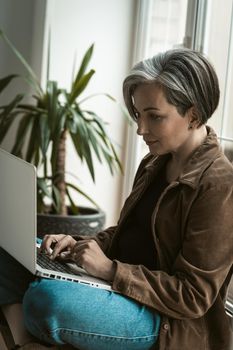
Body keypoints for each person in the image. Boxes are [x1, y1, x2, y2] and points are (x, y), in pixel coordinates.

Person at [0, 48, 233, 350]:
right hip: (119, 288)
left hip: (165, 322)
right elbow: (129, 235)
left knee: (46, 301)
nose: (141, 129)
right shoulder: (155, 162)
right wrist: (83, 244)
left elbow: (193, 296)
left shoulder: (220, 186)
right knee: (7, 251)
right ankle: (25, 341)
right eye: (138, 114)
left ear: (194, 114)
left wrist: (110, 270)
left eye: (154, 117)